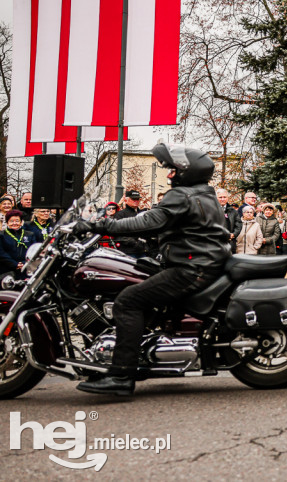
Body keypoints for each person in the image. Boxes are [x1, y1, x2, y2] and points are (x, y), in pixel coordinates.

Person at [73, 143, 230, 396]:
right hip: (201, 262)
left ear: (186, 172)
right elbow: (180, 228)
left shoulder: (183, 195)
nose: (169, 174)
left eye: (173, 170)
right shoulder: (203, 193)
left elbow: (148, 221)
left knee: (127, 302)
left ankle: (121, 375)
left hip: (191, 267)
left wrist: (98, 225)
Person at [0, 210, 39, 278]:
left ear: (21, 222)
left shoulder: (30, 234)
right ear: (7, 222)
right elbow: (1, 253)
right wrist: (15, 264)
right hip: (7, 270)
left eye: (17, 221)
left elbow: (34, 251)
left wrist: (24, 263)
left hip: (26, 268)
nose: (14, 223)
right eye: (11, 221)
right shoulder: (2, 235)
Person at [113, 190, 149, 256]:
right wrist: (134, 243)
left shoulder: (143, 213)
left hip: (143, 250)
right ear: (126, 200)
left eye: (137, 199)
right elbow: (118, 234)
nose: (136, 201)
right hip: (128, 251)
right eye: (133, 199)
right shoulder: (120, 215)